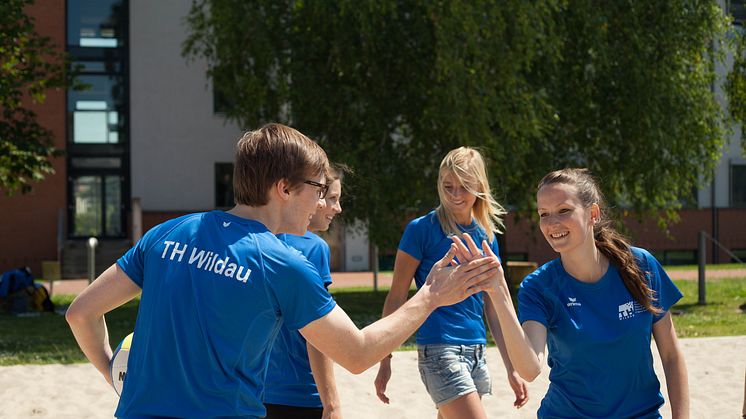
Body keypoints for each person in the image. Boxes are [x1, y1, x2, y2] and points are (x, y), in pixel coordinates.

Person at [66, 123, 500, 419]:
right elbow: (357, 353)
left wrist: (111, 371)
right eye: (317, 189)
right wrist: (430, 296)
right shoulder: (282, 263)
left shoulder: (170, 231)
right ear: (284, 189)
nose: (321, 202)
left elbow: (80, 313)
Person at [452, 168, 690, 418]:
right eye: (544, 214)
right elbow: (530, 369)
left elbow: (671, 355)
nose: (552, 223)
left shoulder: (641, 265)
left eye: (564, 210)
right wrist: (499, 291)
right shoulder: (539, 286)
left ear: (593, 213)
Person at [374, 147, 528, 419]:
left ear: (480, 186)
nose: (455, 195)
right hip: (439, 349)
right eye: (448, 186)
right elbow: (396, 296)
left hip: (478, 350)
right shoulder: (421, 229)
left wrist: (511, 366)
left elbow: (493, 307)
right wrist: (384, 360)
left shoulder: (487, 236)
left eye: (464, 187)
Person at [264, 165, 344, 419]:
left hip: (259, 388)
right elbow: (316, 334)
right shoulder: (313, 247)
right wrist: (331, 403)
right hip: (300, 391)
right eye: (332, 198)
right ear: (316, 198)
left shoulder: (262, 239)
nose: (337, 208)